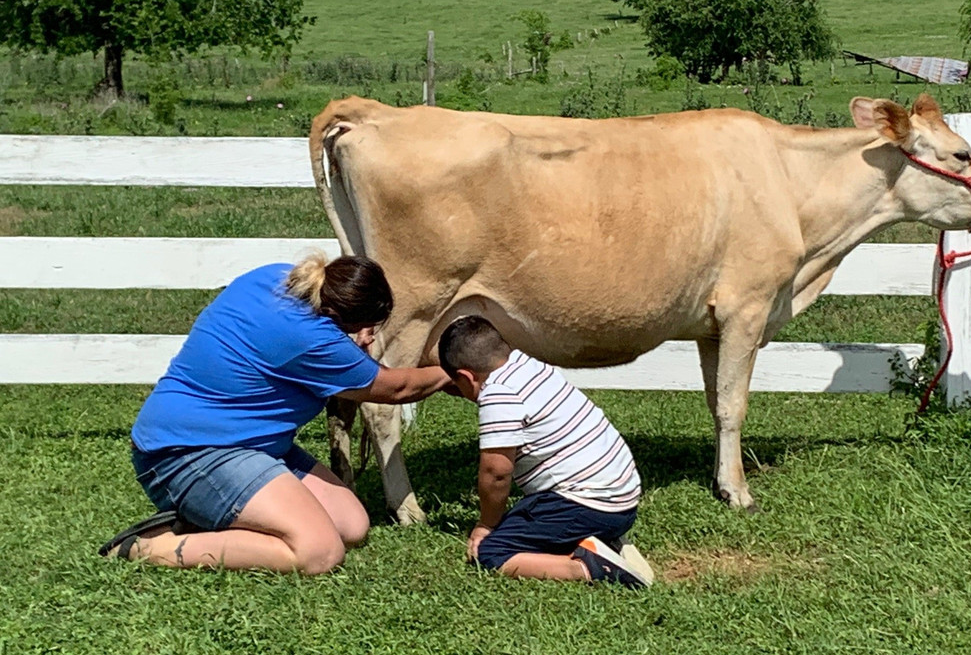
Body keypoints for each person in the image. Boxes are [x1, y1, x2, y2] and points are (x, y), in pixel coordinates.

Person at [99, 252, 453, 574]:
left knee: (350, 524)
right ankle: (150, 547)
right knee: (320, 552)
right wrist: (458, 371)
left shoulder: (275, 277)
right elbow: (396, 388)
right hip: (186, 454)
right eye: (367, 328)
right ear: (342, 319)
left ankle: (204, 519)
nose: (370, 338)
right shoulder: (313, 341)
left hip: (250, 444)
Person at [438, 315, 653, 588]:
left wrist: (486, 525)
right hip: (622, 501)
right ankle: (599, 538)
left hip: (590, 504)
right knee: (528, 516)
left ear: (466, 377)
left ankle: (590, 567)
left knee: (493, 552)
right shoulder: (528, 366)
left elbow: (496, 473)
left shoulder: (499, 394)